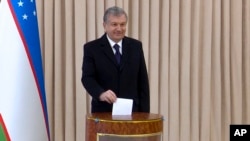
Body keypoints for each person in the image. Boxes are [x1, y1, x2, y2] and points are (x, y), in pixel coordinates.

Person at [81, 6, 150, 113]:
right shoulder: (91, 48)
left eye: (122, 24)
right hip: (104, 111)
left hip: (132, 112)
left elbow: (143, 82)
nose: (119, 29)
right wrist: (101, 94)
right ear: (105, 25)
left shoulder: (136, 46)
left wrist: (145, 115)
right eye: (114, 24)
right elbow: (87, 78)